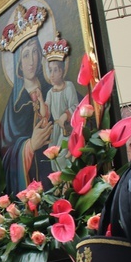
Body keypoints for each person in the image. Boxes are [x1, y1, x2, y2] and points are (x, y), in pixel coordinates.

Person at [0, 7, 53, 195]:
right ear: (19, 63)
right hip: (33, 184)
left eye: (35, 52)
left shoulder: (53, 89)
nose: (31, 61)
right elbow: (4, 155)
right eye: (25, 55)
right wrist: (30, 145)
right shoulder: (14, 108)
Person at [42, 32, 78, 172]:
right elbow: (47, 112)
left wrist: (65, 115)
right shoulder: (50, 92)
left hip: (68, 128)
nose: (51, 74)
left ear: (62, 71)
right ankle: (60, 186)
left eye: (55, 70)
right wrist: (40, 99)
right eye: (50, 70)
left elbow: (75, 106)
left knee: (63, 155)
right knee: (55, 159)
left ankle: (67, 183)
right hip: (57, 129)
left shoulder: (68, 86)